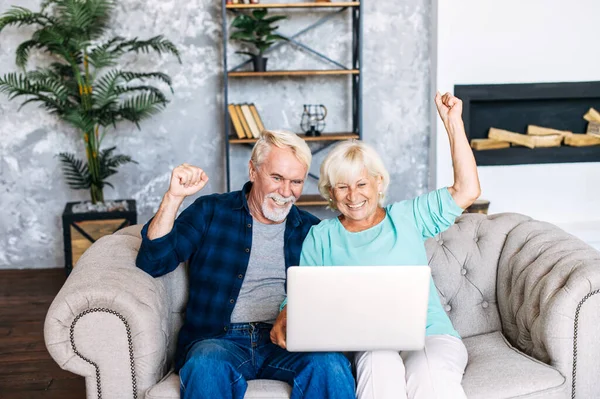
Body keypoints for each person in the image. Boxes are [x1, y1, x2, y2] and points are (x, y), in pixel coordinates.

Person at [270, 92, 481, 399]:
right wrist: (286, 314)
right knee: (379, 368)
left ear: (378, 183)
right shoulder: (322, 236)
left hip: (430, 335)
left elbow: (468, 189)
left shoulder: (408, 217)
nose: (352, 195)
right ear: (331, 191)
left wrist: (453, 124)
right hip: (369, 342)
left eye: (361, 184)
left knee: (429, 375)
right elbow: (305, 297)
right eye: (342, 186)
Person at [135, 130, 356, 399]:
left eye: (296, 181)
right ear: (253, 171)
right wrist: (173, 198)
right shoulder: (210, 211)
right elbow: (153, 261)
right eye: (276, 178)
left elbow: (334, 294)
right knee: (205, 366)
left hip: (287, 341)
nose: (286, 192)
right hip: (218, 340)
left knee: (331, 365)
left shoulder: (312, 229)